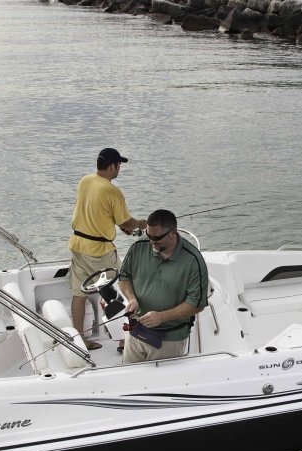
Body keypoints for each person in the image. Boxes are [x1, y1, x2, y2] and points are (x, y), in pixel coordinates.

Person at [69, 147, 146, 349]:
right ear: (112, 166)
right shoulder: (113, 191)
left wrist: (120, 226)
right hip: (100, 251)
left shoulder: (85, 181)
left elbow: (98, 212)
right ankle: (124, 340)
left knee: (79, 294)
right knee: (123, 289)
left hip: (78, 246)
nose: (119, 168)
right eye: (119, 164)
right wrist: (141, 223)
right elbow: (127, 222)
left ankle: (80, 341)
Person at [117, 209, 209, 364]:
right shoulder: (138, 247)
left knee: (161, 380)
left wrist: (162, 317)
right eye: (149, 235)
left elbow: (197, 304)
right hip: (135, 332)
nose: (151, 241)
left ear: (173, 233)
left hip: (169, 339)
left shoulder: (193, 260)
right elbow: (124, 277)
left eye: (157, 238)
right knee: (128, 375)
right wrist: (131, 299)